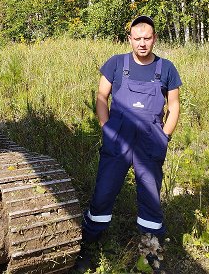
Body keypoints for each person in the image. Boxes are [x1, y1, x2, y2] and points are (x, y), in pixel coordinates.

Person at [76, 15, 182, 273]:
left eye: (147, 38)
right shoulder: (116, 63)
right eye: (138, 39)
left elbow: (174, 106)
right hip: (118, 139)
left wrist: (164, 136)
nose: (143, 43)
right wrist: (106, 127)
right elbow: (102, 96)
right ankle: (89, 249)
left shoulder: (166, 68)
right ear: (130, 39)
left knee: (150, 200)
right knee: (103, 194)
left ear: (154, 38)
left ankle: (150, 258)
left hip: (150, 142)